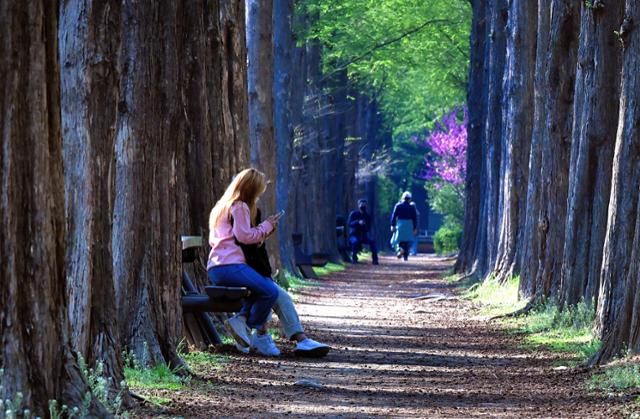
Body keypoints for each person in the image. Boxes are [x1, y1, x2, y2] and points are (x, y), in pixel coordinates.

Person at [207, 168, 283, 356]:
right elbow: (244, 236)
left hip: (216, 267)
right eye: (259, 189)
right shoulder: (239, 206)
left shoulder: (221, 206)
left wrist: (262, 231)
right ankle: (247, 324)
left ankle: (243, 324)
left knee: (260, 290)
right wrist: (266, 226)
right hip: (231, 266)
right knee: (270, 290)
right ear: (251, 188)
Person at [347, 199, 379, 265]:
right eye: (361, 204)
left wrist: (364, 225)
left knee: (372, 242)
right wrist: (358, 222)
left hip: (363, 236)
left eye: (364, 204)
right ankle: (354, 258)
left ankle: (375, 259)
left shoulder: (367, 216)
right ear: (358, 205)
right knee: (355, 242)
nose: (363, 206)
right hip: (354, 235)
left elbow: (368, 228)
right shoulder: (353, 214)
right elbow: (349, 223)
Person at [390, 191, 418, 261]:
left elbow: (394, 216)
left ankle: (400, 249)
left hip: (400, 223)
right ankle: (405, 257)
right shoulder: (412, 207)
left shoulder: (398, 206)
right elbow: (414, 218)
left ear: (403, 198)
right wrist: (415, 228)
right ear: (410, 199)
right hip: (409, 224)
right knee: (407, 241)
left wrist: (392, 225)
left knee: (399, 239)